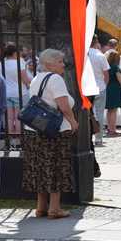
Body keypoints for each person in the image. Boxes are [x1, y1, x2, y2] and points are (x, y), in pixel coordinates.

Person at [22, 49, 78, 219]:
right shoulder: (55, 79)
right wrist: (73, 121)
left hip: (35, 130)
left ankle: (41, 207)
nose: (63, 64)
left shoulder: (36, 78)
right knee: (57, 167)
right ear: (49, 64)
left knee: (40, 168)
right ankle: (54, 208)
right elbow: (63, 105)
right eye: (60, 62)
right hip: (54, 132)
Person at [2, 42, 32, 148]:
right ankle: (18, 140)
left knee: (9, 118)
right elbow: (25, 79)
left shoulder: (1, 63)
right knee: (18, 117)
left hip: (6, 94)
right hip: (20, 93)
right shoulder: (20, 62)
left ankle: (10, 141)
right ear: (15, 53)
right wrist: (30, 84)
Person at [87, 36, 110, 146]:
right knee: (99, 113)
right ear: (96, 42)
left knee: (87, 114)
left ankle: (87, 136)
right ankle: (98, 138)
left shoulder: (84, 55)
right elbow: (106, 74)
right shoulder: (101, 55)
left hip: (87, 87)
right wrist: (104, 85)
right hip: (100, 87)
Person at [105, 51, 121, 137]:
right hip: (115, 89)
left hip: (108, 88)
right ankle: (113, 130)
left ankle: (109, 129)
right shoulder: (115, 67)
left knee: (109, 110)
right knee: (114, 110)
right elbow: (120, 80)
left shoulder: (107, 67)